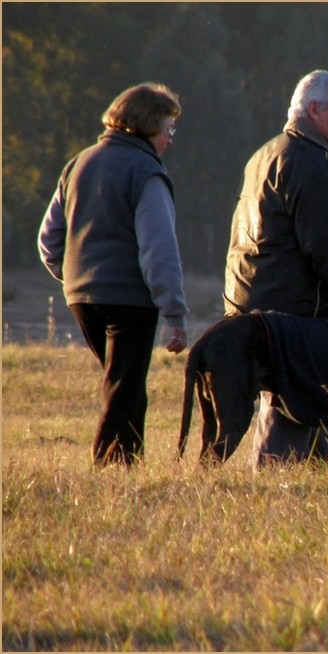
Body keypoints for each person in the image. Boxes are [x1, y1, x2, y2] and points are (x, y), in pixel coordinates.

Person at [223, 69, 328, 469]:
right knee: (291, 404)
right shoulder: (308, 163)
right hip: (289, 315)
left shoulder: (268, 153)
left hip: (256, 306)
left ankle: (315, 479)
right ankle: (278, 492)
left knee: (301, 401)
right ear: (315, 109)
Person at [38, 82, 189, 468]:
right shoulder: (146, 171)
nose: (171, 139)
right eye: (168, 129)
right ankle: (110, 469)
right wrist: (174, 312)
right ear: (147, 124)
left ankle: (128, 466)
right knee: (123, 389)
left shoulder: (79, 163)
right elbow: (159, 248)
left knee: (124, 384)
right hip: (129, 299)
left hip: (82, 298)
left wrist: (74, 276)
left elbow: (49, 238)